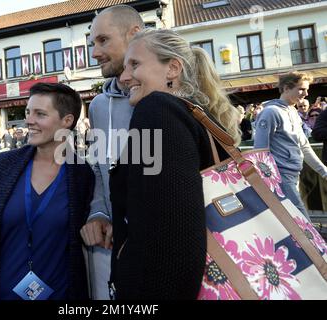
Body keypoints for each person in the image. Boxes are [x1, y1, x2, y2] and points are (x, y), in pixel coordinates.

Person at [108, 29, 240, 299]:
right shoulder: (195, 115)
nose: (122, 77)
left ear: (172, 69)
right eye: (124, 67)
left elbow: (172, 240)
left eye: (135, 64)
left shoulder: (157, 109)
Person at [0, 83, 94, 300]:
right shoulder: (0, 168)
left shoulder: (82, 176)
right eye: (28, 112)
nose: (29, 120)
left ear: (66, 121)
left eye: (40, 114)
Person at [79, 5, 144, 300]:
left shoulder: (172, 97)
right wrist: (100, 212)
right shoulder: (97, 106)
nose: (94, 52)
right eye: (93, 43)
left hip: (169, 245)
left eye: (103, 40)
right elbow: (99, 168)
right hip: (117, 253)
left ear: (135, 34)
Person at [254, 71, 327, 220]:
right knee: (302, 223)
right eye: (301, 89)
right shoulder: (271, 112)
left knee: (296, 224)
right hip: (281, 177)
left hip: (292, 175)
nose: (306, 93)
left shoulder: (293, 111)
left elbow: (304, 146)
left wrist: (324, 171)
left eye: (307, 89)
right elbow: (260, 152)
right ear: (287, 88)